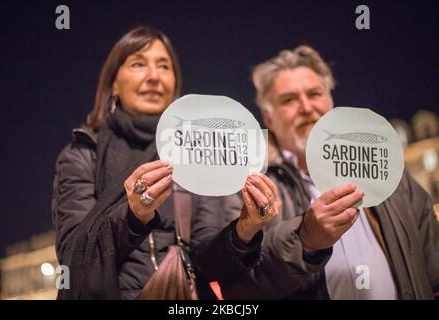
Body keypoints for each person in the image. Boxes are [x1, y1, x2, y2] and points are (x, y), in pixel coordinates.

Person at [52, 26, 280, 300]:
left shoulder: (194, 149)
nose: (154, 76)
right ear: (113, 83)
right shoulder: (83, 153)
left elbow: (209, 262)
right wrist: (134, 216)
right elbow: (72, 259)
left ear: (174, 82)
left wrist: (246, 229)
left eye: (164, 66)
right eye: (138, 64)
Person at [219, 46, 439, 299]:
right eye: (288, 100)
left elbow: (434, 270)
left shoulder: (391, 175)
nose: (305, 107)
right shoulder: (249, 189)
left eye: (314, 94)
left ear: (330, 100)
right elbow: (239, 290)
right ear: (268, 118)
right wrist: (305, 241)